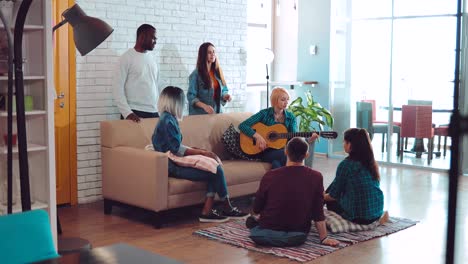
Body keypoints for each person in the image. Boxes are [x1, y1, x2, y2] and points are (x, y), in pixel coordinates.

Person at [152, 86, 248, 222]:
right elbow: (175, 149)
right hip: (172, 166)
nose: (184, 104)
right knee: (215, 170)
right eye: (182, 101)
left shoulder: (168, 118)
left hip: (173, 162)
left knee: (213, 169)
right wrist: (203, 153)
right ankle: (225, 208)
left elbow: (175, 147)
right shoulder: (167, 121)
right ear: (175, 102)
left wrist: (200, 152)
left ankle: (208, 211)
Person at [245, 137, 339, 247]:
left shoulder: (270, 175)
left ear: (285, 151)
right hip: (297, 235)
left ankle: (258, 225)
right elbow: (318, 210)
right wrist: (324, 238)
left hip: (266, 230)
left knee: (254, 222)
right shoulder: (316, 177)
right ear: (306, 155)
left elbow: (257, 208)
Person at [238, 87, 317, 169]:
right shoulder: (264, 114)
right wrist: (258, 137)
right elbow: (243, 125)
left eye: (287, 100)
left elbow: (294, 138)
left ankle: (278, 179)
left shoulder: (291, 117)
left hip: (282, 150)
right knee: (285, 155)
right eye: (283, 100)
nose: (286, 102)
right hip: (263, 150)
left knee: (277, 163)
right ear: (275, 100)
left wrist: (308, 140)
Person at [324, 128, 388, 225]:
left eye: (344, 142)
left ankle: (312, 211)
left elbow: (333, 196)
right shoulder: (370, 162)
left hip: (359, 217)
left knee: (330, 200)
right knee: (337, 183)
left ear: (350, 145)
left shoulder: (346, 164)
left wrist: (321, 197)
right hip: (377, 211)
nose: (343, 144)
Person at [113, 24, 161, 122]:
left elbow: (157, 86)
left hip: (154, 112)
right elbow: (117, 88)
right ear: (142, 36)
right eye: (153, 38)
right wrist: (127, 113)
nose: (155, 41)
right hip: (134, 112)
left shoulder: (153, 59)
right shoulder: (126, 58)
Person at [187, 42, 232, 115]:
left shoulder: (218, 73)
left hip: (216, 112)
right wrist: (205, 106)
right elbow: (191, 96)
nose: (213, 54)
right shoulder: (196, 74)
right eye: (209, 52)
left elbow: (224, 90)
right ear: (203, 55)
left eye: (214, 52)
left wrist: (225, 96)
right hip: (201, 115)